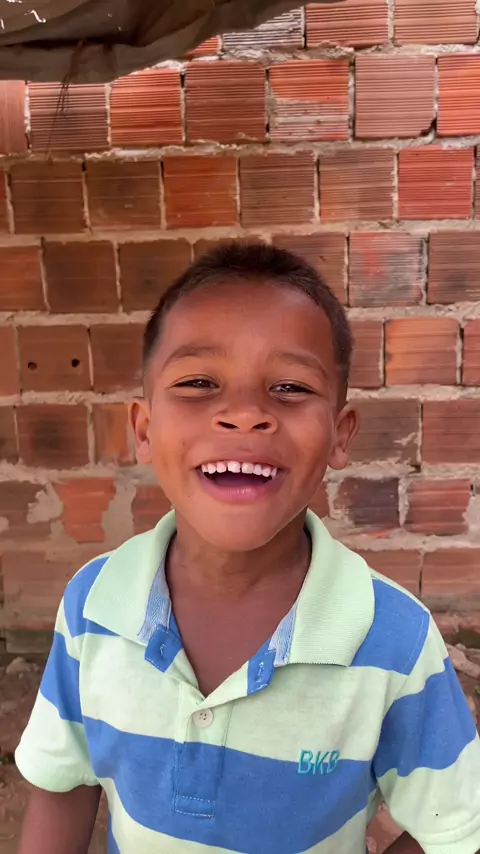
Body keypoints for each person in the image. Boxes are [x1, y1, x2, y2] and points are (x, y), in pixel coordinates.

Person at [16, 242, 480, 854]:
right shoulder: (93, 605)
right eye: (198, 382)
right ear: (144, 429)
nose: (244, 414)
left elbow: (451, 825)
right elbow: (62, 785)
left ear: (339, 436)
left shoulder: (394, 640)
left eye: (289, 386)